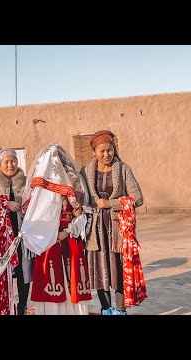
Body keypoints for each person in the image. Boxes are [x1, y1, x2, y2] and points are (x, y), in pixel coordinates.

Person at [80, 129, 146, 315]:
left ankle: (119, 310)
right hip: (95, 229)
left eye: (109, 150)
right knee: (100, 270)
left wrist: (112, 203)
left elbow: (138, 198)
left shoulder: (123, 169)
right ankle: (105, 309)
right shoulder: (85, 171)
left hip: (118, 229)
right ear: (94, 152)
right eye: (102, 151)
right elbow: (79, 196)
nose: (106, 154)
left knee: (118, 271)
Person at [21, 144, 92, 315]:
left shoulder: (75, 184)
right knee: (50, 279)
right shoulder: (39, 190)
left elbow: (84, 214)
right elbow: (34, 217)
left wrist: (67, 232)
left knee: (72, 278)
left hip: (69, 239)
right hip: (48, 241)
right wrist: (49, 233)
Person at [0, 148, 33, 315]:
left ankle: (22, 305)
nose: (11, 165)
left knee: (24, 272)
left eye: (13, 161)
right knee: (3, 272)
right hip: (0, 238)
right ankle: (5, 306)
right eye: (6, 162)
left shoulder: (27, 181)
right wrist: (4, 204)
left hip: (21, 234)